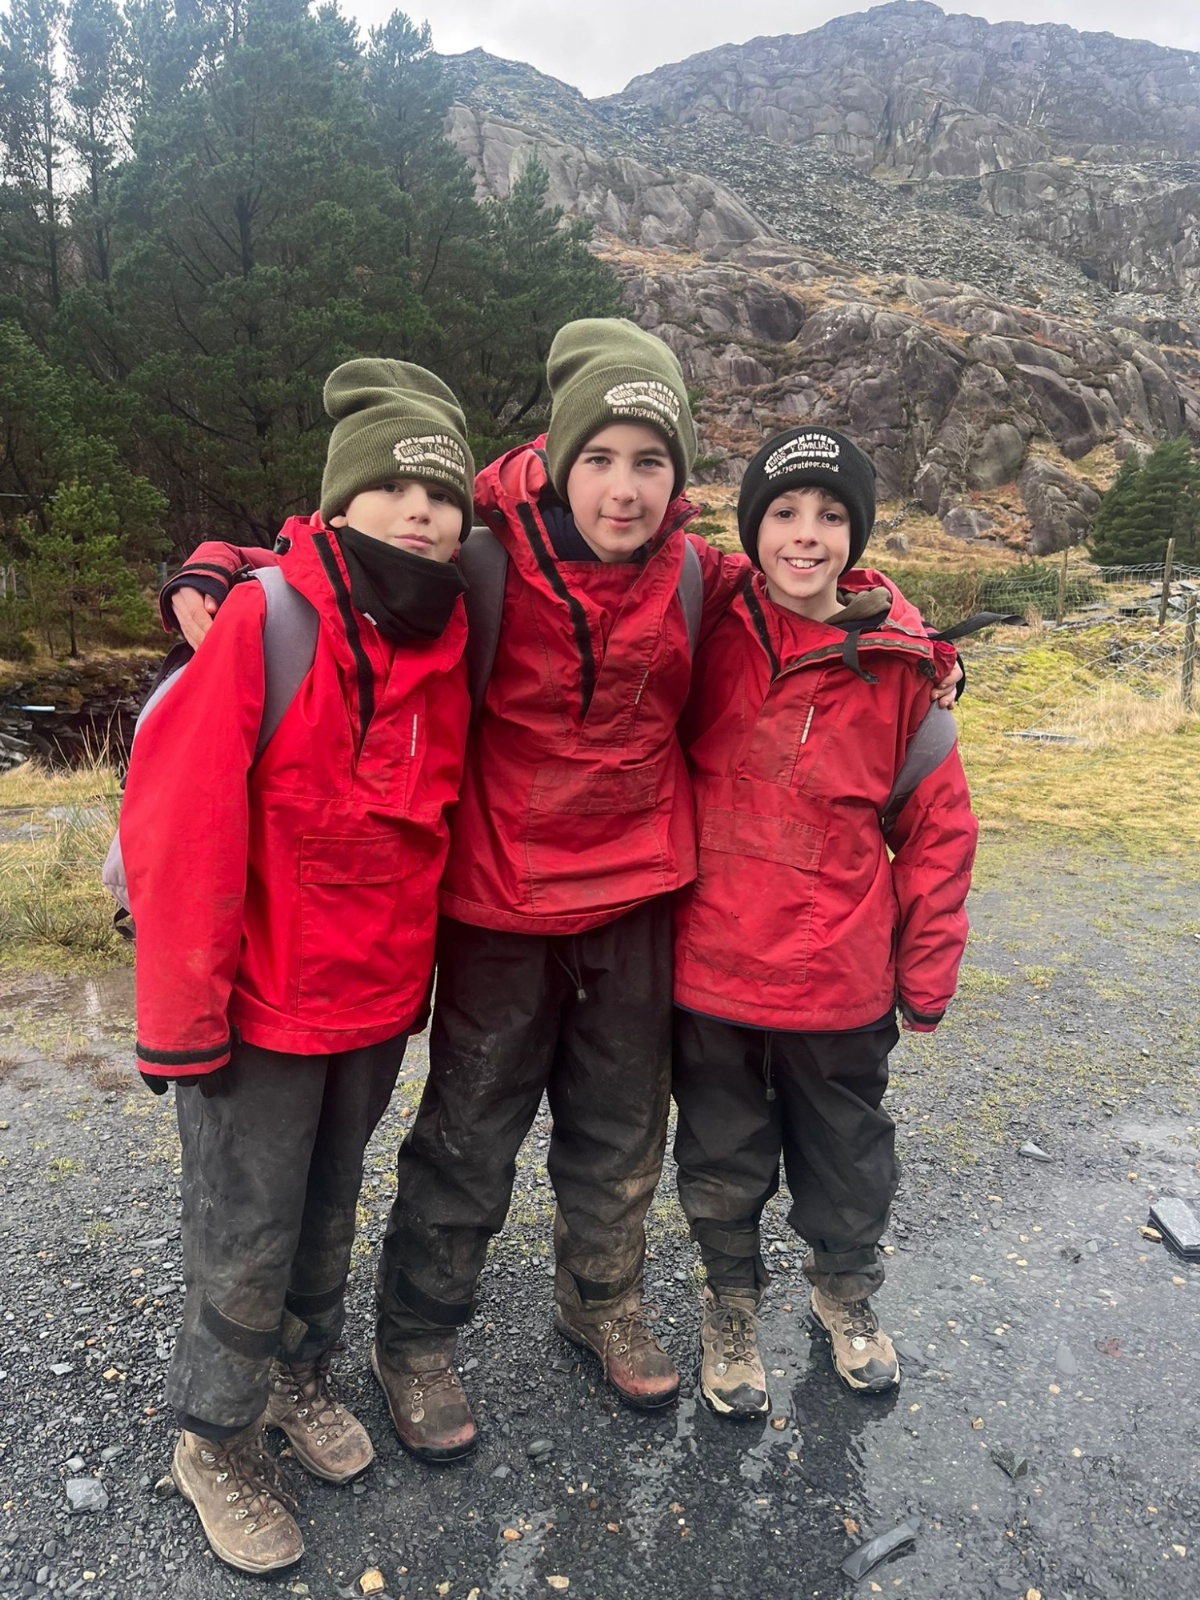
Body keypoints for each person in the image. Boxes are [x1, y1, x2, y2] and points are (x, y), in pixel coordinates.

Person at [122, 360, 475, 1570]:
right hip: (258, 1011)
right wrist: (181, 1019)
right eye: (393, 486)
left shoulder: (450, 635)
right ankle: (211, 1438)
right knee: (246, 1224)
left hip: (371, 1006)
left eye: (443, 496)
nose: (421, 511)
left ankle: (298, 1375)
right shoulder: (264, 620)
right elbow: (181, 827)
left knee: (328, 1204)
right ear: (338, 500)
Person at [669, 425, 977, 1419]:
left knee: (848, 1158)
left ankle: (844, 1295)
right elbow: (597, 544)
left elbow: (938, 834)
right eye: (785, 512)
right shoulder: (705, 623)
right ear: (752, 528)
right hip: (709, 972)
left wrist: (925, 976)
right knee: (720, 1157)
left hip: (838, 982)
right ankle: (730, 1305)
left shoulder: (904, 671)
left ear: (858, 535)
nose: (806, 534)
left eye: (832, 515)